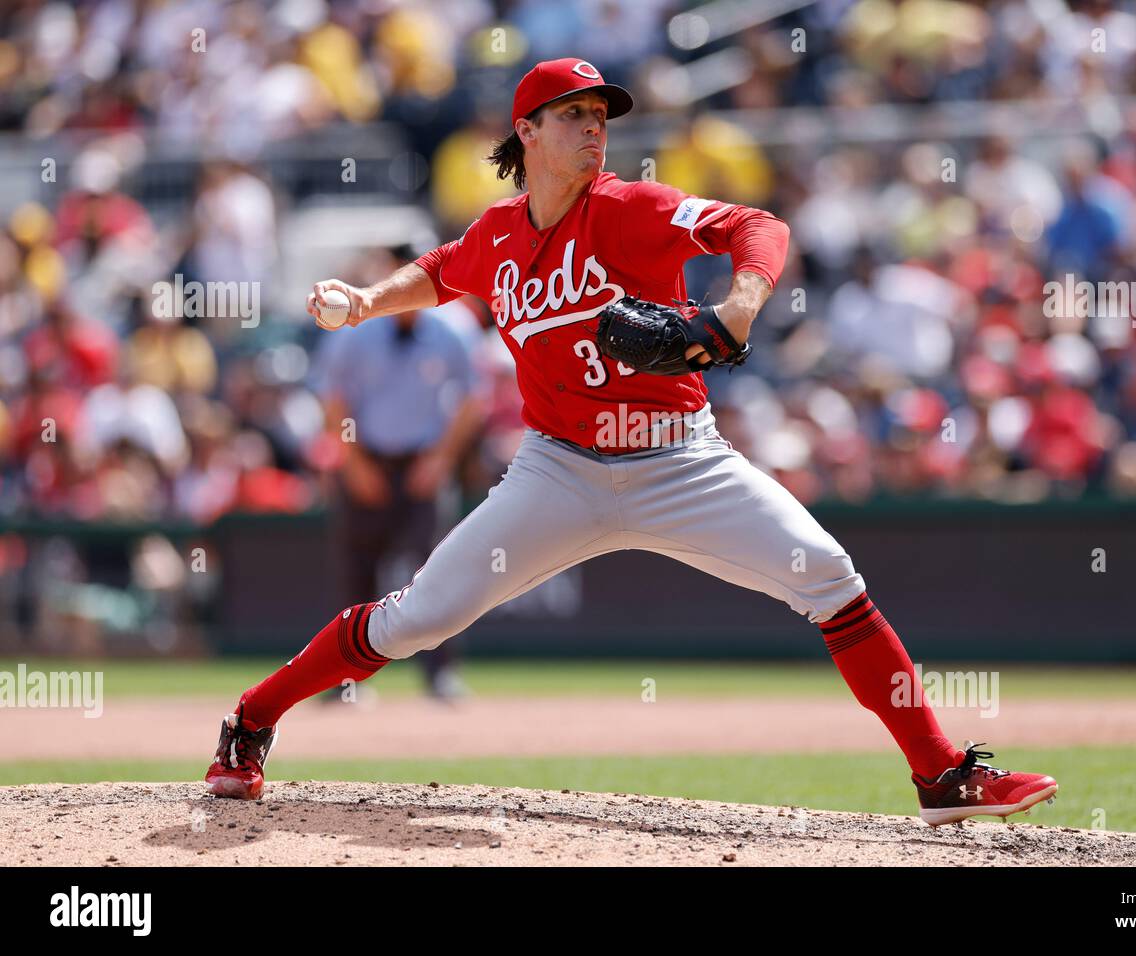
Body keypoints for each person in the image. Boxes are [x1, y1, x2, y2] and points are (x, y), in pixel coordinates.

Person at [205, 58, 1057, 827]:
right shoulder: (499, 233)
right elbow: (439, 271)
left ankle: (941, 775)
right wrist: (362, 301)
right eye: (573, 115)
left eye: (600, 117)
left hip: (681, 458)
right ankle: (253, 718)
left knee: (829, 577)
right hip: (558, 470)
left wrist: (738, 308)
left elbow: (758, 227)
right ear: (527, 132)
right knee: (419, 618)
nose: (593, 130)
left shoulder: (635, 207)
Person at [313, 245, 485, 700]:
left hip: (424, 465)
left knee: (437, 572)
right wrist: (354, 463)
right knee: (355, 574)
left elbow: (473, 399)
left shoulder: (455, 326)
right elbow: (333, 401)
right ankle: (343, 679)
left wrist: (441, 459)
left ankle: (440, 674)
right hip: (366, 460)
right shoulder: (353, 331)